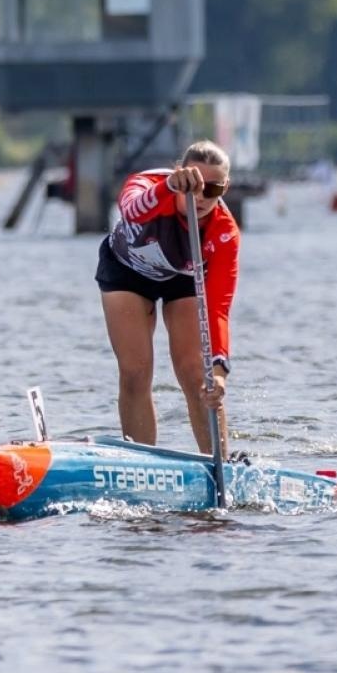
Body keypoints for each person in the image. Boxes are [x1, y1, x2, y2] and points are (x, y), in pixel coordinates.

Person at [97, 140, 239, 453]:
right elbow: (129, 208)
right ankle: (141, 460)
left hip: (183, 278)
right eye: (195, 187)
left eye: (213, 190)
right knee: (136, 371)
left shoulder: (224, 233)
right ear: (179, 175)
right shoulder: (147, 186)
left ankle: (220, 464)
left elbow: (218, 308)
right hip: (127, 271)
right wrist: (169, 188)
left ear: (225, 188)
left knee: (197, 378)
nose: (201, 198)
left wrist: (219, 374)